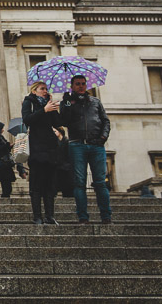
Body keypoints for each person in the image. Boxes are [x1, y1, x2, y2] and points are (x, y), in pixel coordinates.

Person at [59, 75, 113, 224]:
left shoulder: (95, 102)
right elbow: (63, 121)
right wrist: (67, 104)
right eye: (78, 84)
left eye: (83, 84)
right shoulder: (68, 102)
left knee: (100, 182)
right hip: (77, 145)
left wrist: (103, 138)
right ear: (72, 86)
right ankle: (83, 217)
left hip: (96, 145)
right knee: (79, 182)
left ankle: (106, 216)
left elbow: (105, 121)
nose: (81, 86)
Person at [22, 81, 62, 225]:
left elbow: (58, 123)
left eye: (46, 89)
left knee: (50, 185)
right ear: (34, 91)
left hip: (50, 147)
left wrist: (53, 108)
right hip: (37, 147)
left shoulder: (48, 105)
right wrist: (43, 110)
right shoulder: (28, 102)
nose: (45, 91)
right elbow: (27, 119)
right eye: (42, 89)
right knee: (36, 185)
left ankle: (50, 216)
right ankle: (37, 216)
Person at [53, 127, 74, 198]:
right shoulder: (54, 142)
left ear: (60, 132)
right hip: (58, 167)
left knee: (67, 190)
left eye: (55, 131)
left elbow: (70, 156)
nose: (53, 133)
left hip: (66, 168)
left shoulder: (67, 141)